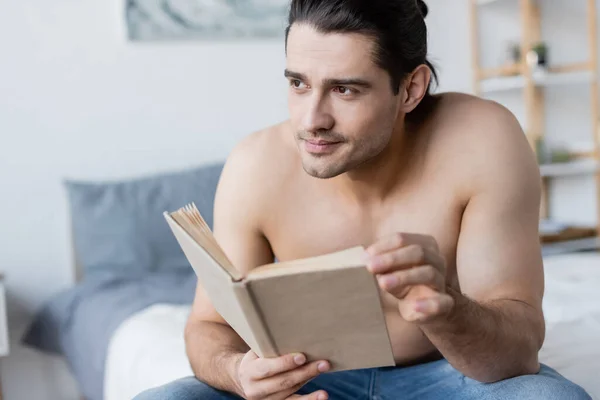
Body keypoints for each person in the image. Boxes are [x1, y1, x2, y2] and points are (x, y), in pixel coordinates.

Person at [136, 0, 591, 399]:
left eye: (344, 89)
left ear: (411, 89)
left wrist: (447, 307)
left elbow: (518, 352)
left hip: (452, 374)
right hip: (306, 378)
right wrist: (238, 373)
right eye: (298, 84)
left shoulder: (482, 140)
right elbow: (208, 327)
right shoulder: (255, 165)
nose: (311, 120)